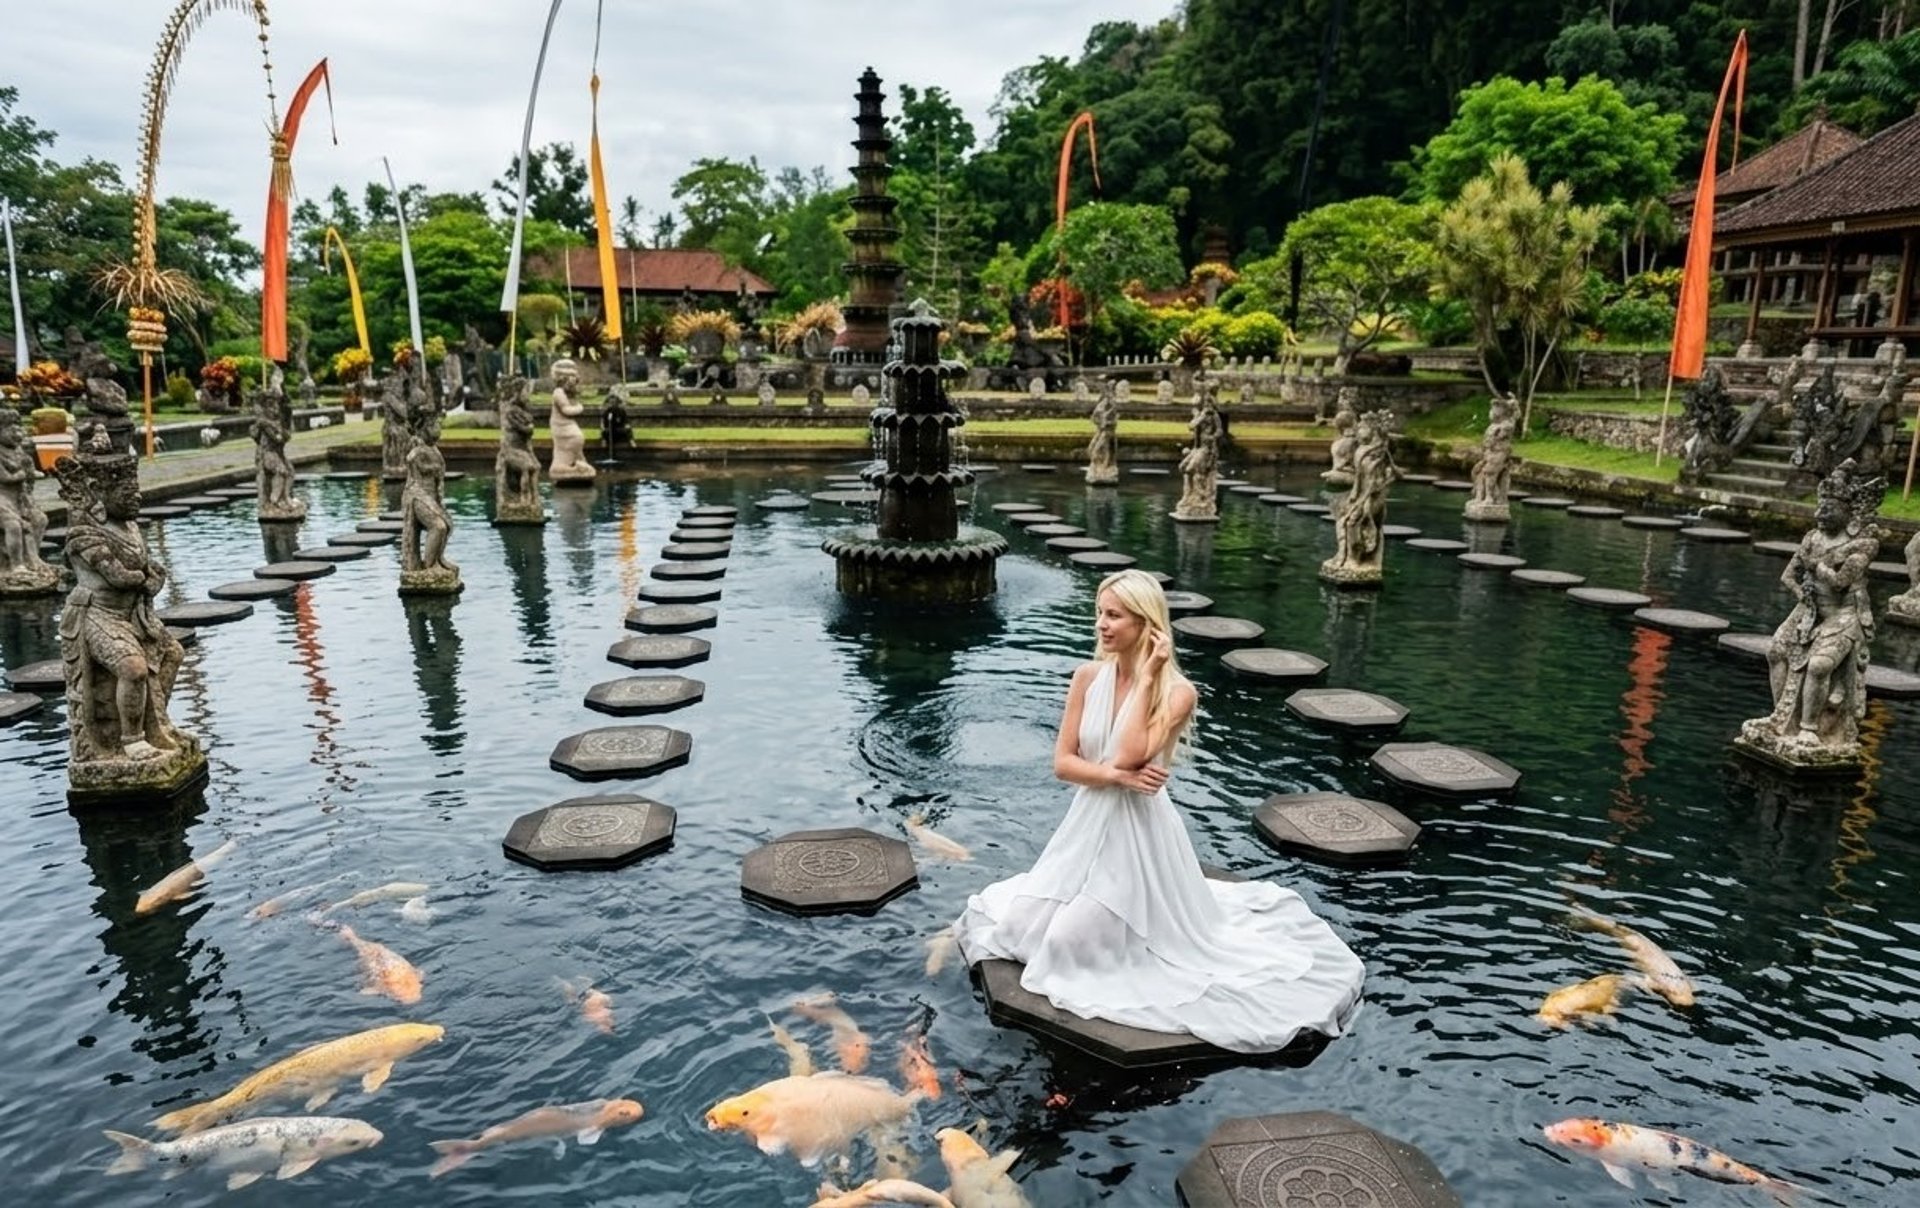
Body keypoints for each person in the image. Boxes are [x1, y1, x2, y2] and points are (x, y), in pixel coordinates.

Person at [952, 570, 1364, 1053]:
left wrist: (1146, 676)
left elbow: (1128, 755)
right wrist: (1114, 778)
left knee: (1064, 946)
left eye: (1114, 615)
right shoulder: (1087, 678)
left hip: (1138, 836)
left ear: (1147, 624)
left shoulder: (1178, 692)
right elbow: (1065, 765)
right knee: (1019, 932)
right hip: (1086, 826)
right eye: (1100, 613)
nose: (1102, 625)